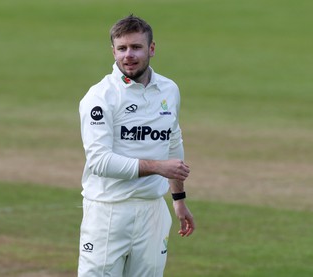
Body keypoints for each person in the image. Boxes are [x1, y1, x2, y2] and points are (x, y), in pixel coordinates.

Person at [78, 14, 195, 276]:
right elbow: (99, 162)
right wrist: (157, 167)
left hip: (153, 211)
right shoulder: (100, 97)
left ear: (151, 49)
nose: (128, 55)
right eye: (122, 48)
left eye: (136, 47)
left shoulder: (169, 89)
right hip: (108, 211)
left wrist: (178, 199)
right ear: (113, 51)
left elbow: (173, 142)